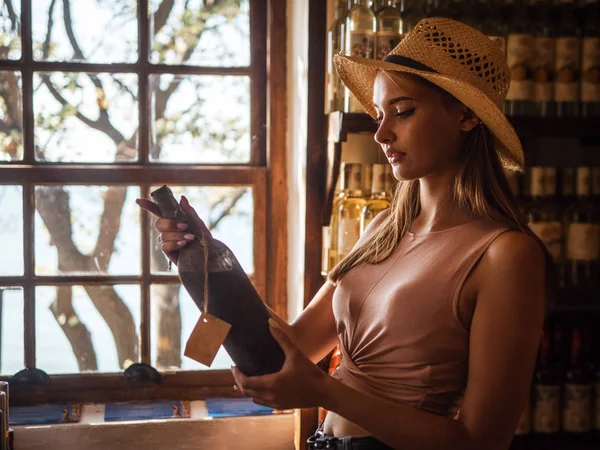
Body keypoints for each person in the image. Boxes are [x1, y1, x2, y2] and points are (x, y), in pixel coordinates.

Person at [137, 18, 554, 450]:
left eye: (404, 111)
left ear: (466, 115)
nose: (381, 133)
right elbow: (293, 344)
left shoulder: (506, 255)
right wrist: (206, 263)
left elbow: (480, 441)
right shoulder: (379, 231)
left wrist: (323, 391)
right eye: (378, 115)